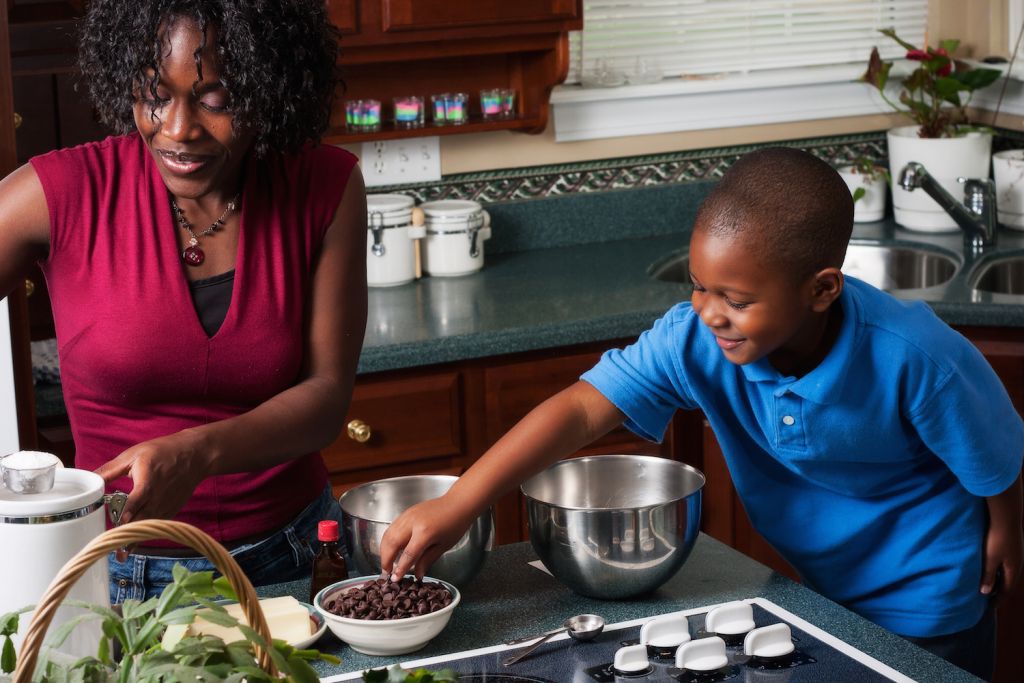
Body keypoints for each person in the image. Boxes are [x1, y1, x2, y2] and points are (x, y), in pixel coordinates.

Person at [380, 148, 1023, 681]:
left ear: (822, 290)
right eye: (699, 284)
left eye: (736, 299)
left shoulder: (917, 356)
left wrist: (1005, 527)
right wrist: (460, 502)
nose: (710, 312)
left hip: (929, 595)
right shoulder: (694, 339)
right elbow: (580, 411)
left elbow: (992, 455)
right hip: (821, 586)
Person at [0, 0, 367, 602]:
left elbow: (327, 398)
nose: (177, 129)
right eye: (153, 95)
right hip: (117, 574)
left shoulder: (324, 185)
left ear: (269, 85)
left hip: (294, 560)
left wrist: (199, 453)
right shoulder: (63, 191)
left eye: (215, 100)